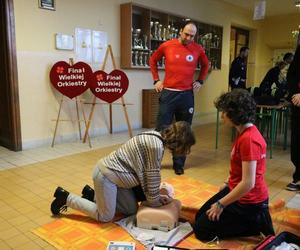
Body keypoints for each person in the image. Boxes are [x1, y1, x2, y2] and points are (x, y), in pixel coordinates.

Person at [50, 121, 196, 222]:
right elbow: (152, 179)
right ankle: (66, 198)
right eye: (186, 148)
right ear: (180, 141)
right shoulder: (156, 146)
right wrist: (157, 201)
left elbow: (150, 177)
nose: (185, 152)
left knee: (131, 210)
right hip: (106, 176)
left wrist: (156, 197)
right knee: (105, 216)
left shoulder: (156, 137)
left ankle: (91, 194)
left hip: (117, 180)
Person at [194, 89, 274, 241]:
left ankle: (255, 224)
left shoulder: (249, 140)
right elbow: (240, 170)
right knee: (200, 216)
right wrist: (227, 182)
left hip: (249, 201)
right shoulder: (244, 132)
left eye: (224, 112)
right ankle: (249, 220)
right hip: (237, 189)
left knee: (202, 230)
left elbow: (248, 183)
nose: (222, 115)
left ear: (234, 114)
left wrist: (221, 204)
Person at [149, 21, 209, 175]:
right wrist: (156, 80)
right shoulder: (167, 45)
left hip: (187, 95)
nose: (188, 38)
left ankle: (179, 164)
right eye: (186, 34)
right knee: (161, 129)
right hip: (168, 93)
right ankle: (154, 162)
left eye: (192, 35)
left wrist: (200, 81)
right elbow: (153, 60)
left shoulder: (198, 49)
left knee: (184, 130)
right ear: (180, 31)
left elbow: (206, 65)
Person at [285, 34, 300, 191]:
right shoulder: (299, 52)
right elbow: (291, 76)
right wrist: (296, 94)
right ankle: (297, 176)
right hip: (297, 103)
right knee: (296, 141)